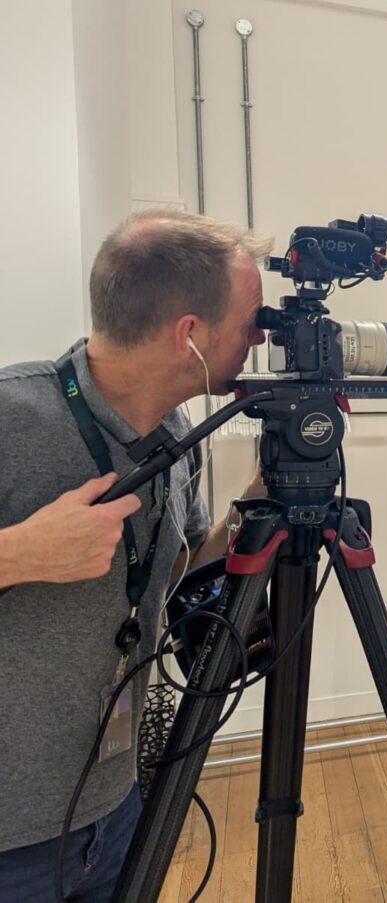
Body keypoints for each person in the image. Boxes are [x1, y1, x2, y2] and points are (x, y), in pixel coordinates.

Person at [0, 209, 272, 902]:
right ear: (190, 334)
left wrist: (256, 501)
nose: (261, 338)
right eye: (250, 320)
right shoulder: (12, 416)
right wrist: (20, 553)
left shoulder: (175, 430)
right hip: (11, 839)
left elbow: (179, 564)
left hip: (114, 805)